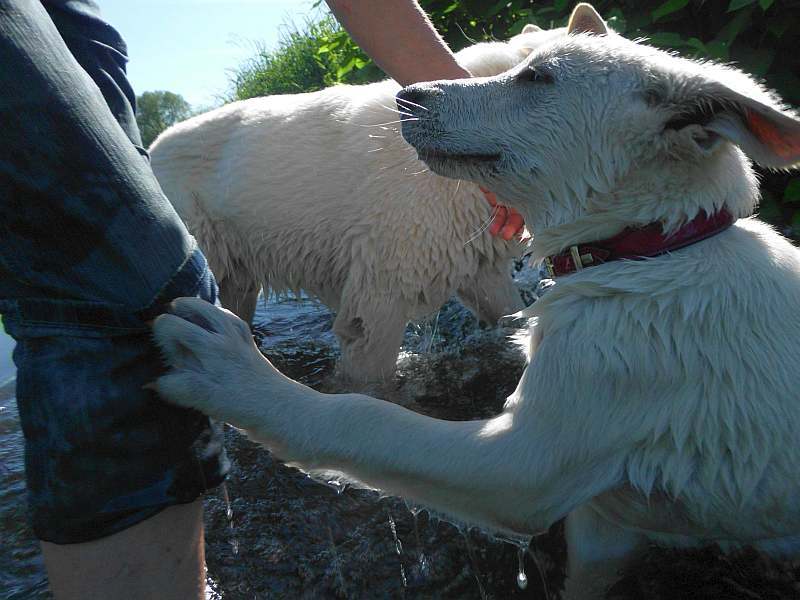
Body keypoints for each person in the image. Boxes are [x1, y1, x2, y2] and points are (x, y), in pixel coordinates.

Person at [0, 1, 523, 598]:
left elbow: (491, 288)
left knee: (203, 327)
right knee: (142, 305)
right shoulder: (431, 174)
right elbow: (367, 322)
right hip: (198, 181)